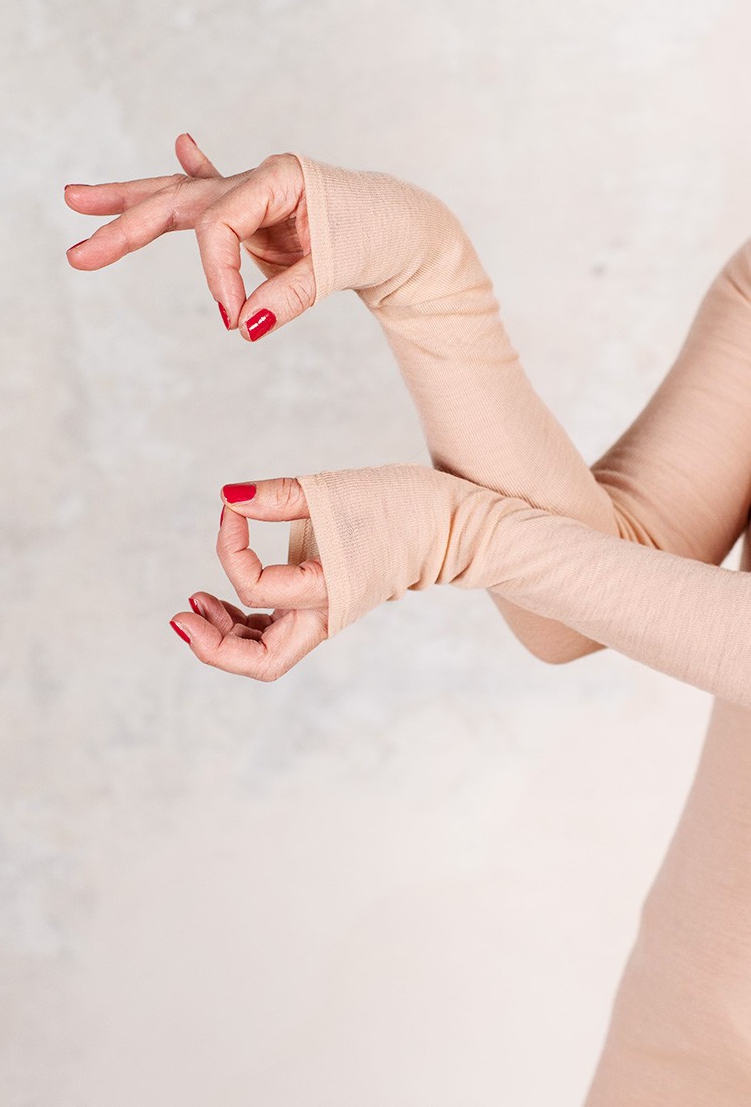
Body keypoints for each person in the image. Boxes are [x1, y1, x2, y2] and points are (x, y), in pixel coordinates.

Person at [65, 138, 751, 1102]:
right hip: (683, 1048)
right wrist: (422, 272)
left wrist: (456, 533)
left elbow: (534, 560)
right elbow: (595, 592)